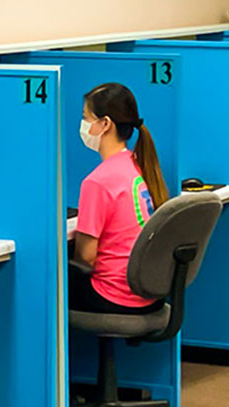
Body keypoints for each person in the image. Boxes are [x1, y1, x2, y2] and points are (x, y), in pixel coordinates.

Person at [71, 83, 169, 314]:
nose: (83, 125)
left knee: (42, 289)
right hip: (147, 291)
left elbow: (85, 258)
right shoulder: (137, 164)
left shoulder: (98, 181)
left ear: (105, 124)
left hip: (114, 294)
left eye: (86, 118)